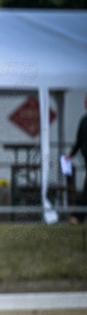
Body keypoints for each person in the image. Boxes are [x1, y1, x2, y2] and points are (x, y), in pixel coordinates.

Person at [68, 94, 87, 223]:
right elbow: (79, 141)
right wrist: (71, 154)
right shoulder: (84, 121)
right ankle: (78, 216)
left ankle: (78, 216)